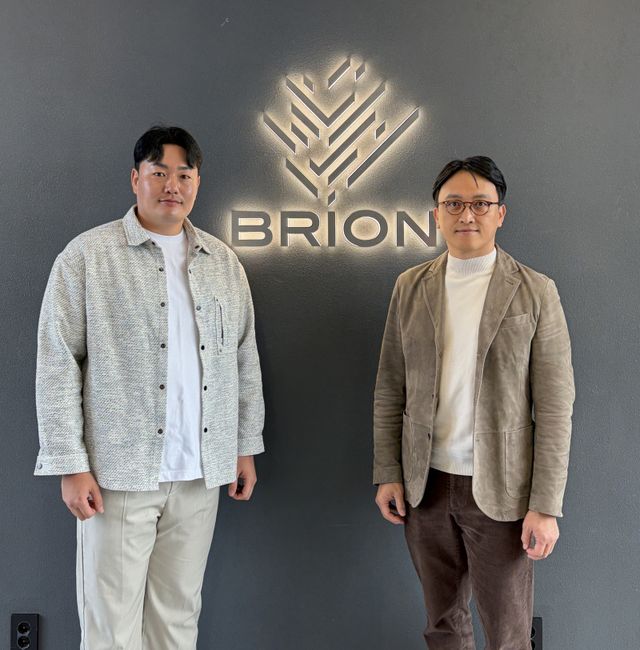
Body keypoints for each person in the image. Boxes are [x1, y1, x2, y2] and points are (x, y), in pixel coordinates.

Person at [34, 125, 265, 650]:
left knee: (177, 621)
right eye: (159, 172)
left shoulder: (223, 263)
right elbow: (57, 363)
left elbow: (242, 358)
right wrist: (70, 463)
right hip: (118, 475)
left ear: (198, 183)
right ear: (135, 179)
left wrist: (244, 446)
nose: (172, 186)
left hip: (199, 474)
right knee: (110, 628)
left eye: (184, 174)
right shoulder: (87, 256)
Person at [373, 156, 574, 648]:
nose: (467, 215)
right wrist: (388, 471)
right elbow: (390, 387)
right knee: (442, 625)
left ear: (500, 213)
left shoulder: (535, 291)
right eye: (454, 204)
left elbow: (554, 406)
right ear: (436, 214)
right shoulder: (410, 287)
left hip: (503, 492)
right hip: (426, 486)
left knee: (507, 633)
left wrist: (545, 505)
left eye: (481, 204)